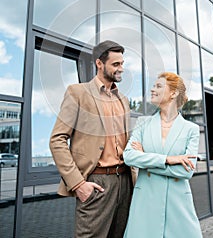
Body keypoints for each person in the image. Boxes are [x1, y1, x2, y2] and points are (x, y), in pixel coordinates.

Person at [50, 40, 134, 238]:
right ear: (99, 63)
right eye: (115, 64)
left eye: (122, 63)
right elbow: (57, 139)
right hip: (96, 181)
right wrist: (78, 184)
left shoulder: (123, 100)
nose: (121, 68)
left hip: (125, 181)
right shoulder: (77, 92)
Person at [123, 72, 203, 238]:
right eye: (153, 86)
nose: (152, 89)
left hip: (178, 204)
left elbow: (186, 172)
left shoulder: (191, 129)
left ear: (173, 93)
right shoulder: (143, 123)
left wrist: (145, 157)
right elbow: (129, 156)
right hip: (145, 201)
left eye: (158, 86)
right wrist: (168, 160)